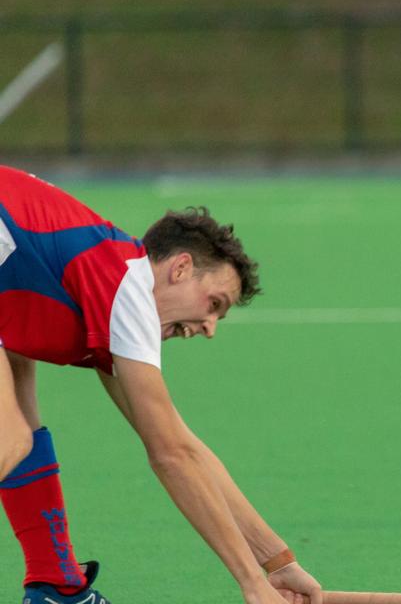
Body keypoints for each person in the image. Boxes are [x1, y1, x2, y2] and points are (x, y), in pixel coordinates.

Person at [0, 166, 323, 604]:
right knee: (8, 439)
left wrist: (278, 563)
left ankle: (56, 585)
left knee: (19, 402)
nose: (209, 328)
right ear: (180, 268)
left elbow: (181, 444)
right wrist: (252, 583)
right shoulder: (124, 281)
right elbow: (170, 456)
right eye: (214, 305)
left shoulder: (97, 289)